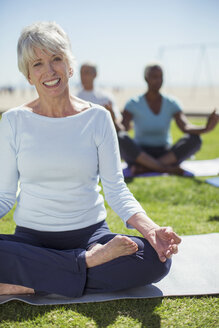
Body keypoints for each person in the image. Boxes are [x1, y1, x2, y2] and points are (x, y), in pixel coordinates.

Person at [0, 22, 181, 298]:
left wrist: (152, 229)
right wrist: (88, 260)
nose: (49, 71)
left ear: (69, 66)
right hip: (33, 239)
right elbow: (4, 196)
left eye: (56, 59)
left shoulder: (97, 118)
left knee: (157, 260)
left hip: (91, 237)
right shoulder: (13, 121)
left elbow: (116, 188)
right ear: (28, 75)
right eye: (37, 63)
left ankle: (32, 280)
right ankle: (83, 263)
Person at [121, 63, 219, 175]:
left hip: (165, 154)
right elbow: (122, 127)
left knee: (195, 140)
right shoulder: (133, 103)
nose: (158, 80)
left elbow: (185, 126)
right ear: (146, 78)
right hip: (140, 153)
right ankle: (165, 168)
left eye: (161, 76)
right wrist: (112, 118)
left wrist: (205, 128)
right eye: (154, 77)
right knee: (121, 138)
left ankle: (145, 168)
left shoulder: (171, 103)